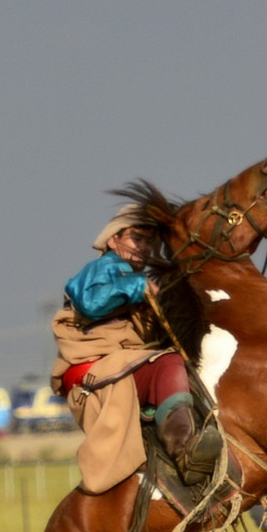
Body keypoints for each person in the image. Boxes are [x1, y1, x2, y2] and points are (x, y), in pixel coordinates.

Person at [50, 206, 222, 493]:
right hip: (96, 370)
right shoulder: (103, 268)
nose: (143, 247)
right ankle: (184, 450)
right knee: (166, 364)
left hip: (120, 367)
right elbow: (90, 303)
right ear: (113, 239)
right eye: (135, 239)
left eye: (148, 242)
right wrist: (138, 284)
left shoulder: (134, 281)